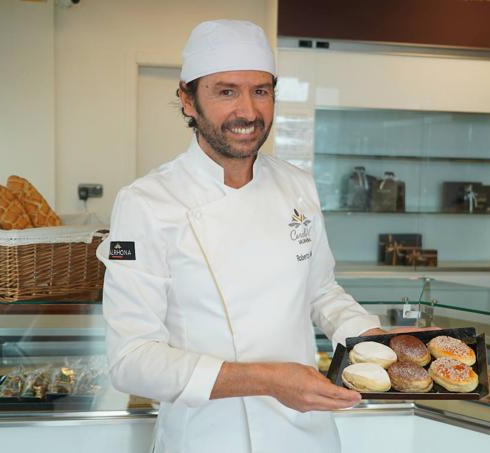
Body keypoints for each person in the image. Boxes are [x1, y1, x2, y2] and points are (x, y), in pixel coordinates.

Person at [97, 19, 430, 453]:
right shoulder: (145, 202)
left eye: (261, 91)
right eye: (226, 91)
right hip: (205, 437)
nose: (248, 112)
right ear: (187, 99)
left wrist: (374, 340)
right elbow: (131, 360)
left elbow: (320, 291)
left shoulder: (297, 185)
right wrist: (270, 381)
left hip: (304, 431)